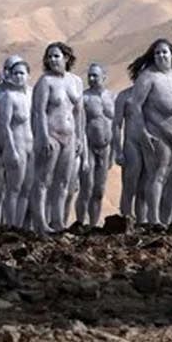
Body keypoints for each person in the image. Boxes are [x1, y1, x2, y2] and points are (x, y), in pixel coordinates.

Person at [125, 40, 172, 225]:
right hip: (158, 132)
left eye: (164, 52)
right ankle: (154, 219)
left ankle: (168, 219)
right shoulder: (148, 77)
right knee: (158, 175)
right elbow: (135, 106)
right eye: (157, 53)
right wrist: (143, 132)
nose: (161, 56)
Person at [28, 43, 83, 232]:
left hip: (70, 136)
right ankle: (40, 222)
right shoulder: (45, 82)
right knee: (43, 180)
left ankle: (57, 220)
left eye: (56, 56)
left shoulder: (76, 81)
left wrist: (80, 137)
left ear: (66, 58)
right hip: (51, 134)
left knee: (63, 181)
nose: (52, 60)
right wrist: (42, 136)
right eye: (49, 57)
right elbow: (39, 111)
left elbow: (78, 112)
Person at [0, 57, 34, 228]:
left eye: (18, 70)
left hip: (26, 144)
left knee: (24, 187)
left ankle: (15, 224)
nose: (11, 73)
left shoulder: (31, 93)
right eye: (9, 69)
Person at [76, 64, 116, 228]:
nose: (91, 79)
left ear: (104, 77)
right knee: (87, 187)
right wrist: (84, 155)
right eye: (90, 76)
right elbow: (81, 126)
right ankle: (80, 223)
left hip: (106, 148)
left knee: (99, 190)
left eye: (95, 76)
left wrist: (113, 152)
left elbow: (115, 125)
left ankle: (93, 225)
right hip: (89, 146)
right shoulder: (84, 98)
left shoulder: (112, 98)